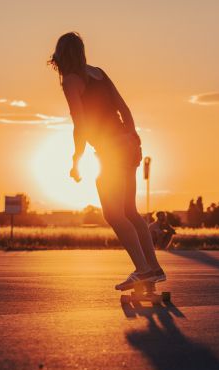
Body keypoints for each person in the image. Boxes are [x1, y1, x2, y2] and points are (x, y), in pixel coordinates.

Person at [48, 32, 165, 290]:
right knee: (130, 212)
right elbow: (124, 109)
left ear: (60, 55)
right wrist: (134, 138)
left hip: (111, 150)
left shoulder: (71, 81)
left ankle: (144, 269)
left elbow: (80, 125)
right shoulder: (99, 73)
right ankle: (153, 268)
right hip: (129, 145)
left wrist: (76, 159)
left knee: (113, 214)